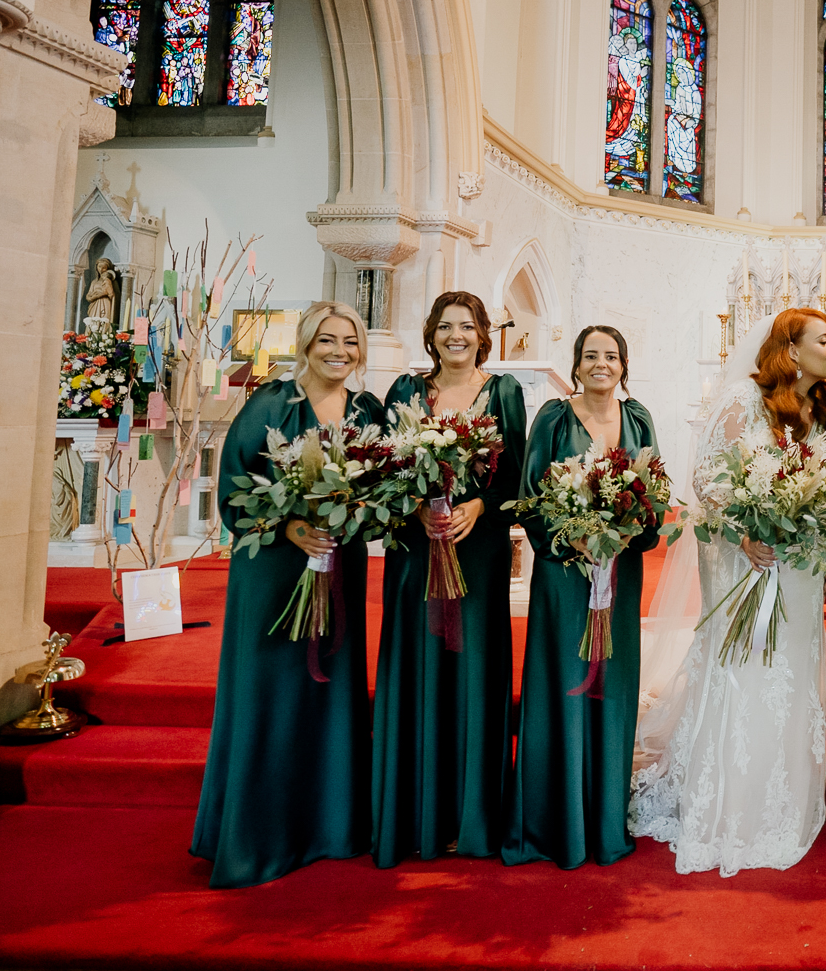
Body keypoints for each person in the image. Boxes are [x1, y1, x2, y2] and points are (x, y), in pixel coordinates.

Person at [629, 308, 826, 876]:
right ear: (792, 350)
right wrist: (745, 529)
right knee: (743, 664)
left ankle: (781, 794)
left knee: (789, 671)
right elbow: (707, 478)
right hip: (740, 557)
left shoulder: (824, 411)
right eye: (824, 339)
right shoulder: (744, 401)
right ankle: (725, 799)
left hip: (797, 565)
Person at [191, 301, 386, 888]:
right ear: (306, 342)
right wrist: (290, 527)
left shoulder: (367, 410)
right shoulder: (272, 405)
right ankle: (260, 834)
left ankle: (329, 827)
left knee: (330, 688)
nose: (339, 352)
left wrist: (360, 511)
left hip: (338, 564)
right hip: (276, 569)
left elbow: (384, 488)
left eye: (350, 342)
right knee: (272, 692)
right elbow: (234, 491)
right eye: (327, 340)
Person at [372, 292, 528, 867]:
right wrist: (415, 506)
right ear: (430, 333)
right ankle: (415, 813)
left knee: (472, 669)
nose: (456, 335)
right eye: (445, 326)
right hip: (417, 548)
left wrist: (480, 508)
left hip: (477, 548)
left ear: (484, 333)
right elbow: (384, 463)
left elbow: (517, 472)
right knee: (420, 662)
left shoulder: (504, 392)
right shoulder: (406, 393)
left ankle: (471, 814)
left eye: (467, 326)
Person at [503, 325, 662, 868]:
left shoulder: (638, 417)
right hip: (564, 574)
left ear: (623, 364)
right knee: (564, 683)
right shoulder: (553, 416)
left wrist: (624, 532)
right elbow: (529, 494)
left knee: (611, 684)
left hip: (618, 572)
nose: (602, 364)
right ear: (576, 363)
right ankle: (555, 822)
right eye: (591, 355)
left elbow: (654, 494)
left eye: (611, 356)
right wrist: (568, 536)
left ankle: (603, 817)